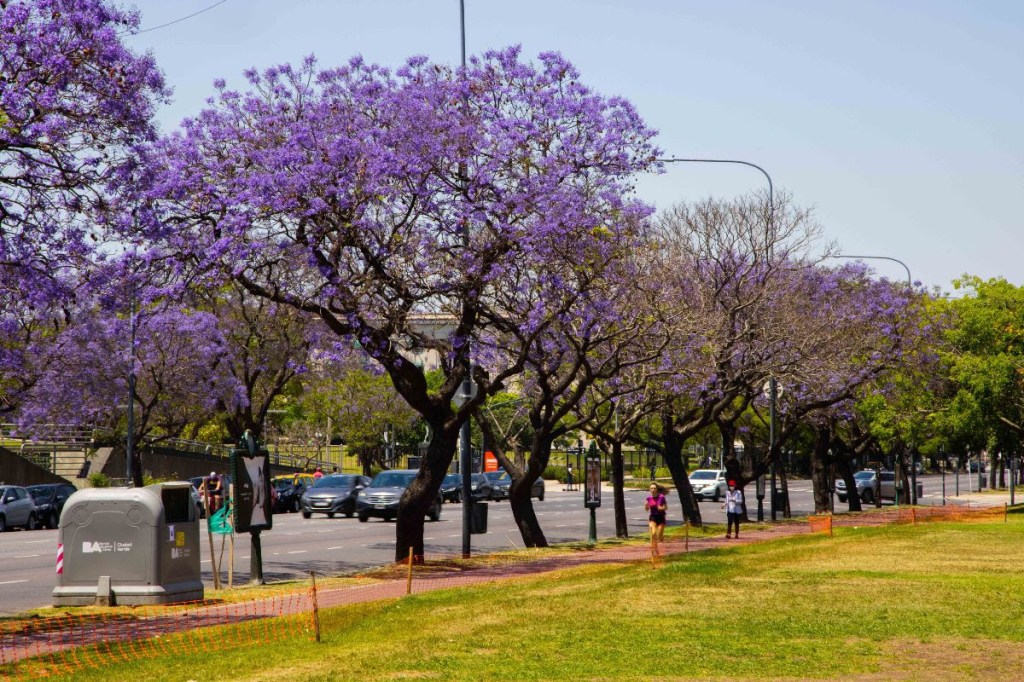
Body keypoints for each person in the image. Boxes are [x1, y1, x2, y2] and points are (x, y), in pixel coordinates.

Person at [644, 483, 668, 554]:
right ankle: (654, 548)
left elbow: (666, 507)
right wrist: (646, 506)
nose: (653, 490)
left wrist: (661, 508)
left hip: (661, 517)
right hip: (653, 517)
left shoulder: (661, 497)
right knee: (653, 533)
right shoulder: (648, 498)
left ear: (657, 489)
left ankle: (660, 539)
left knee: (659, 537)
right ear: (649, 489)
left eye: (654, 488)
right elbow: (647, 509)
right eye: (651, 488)